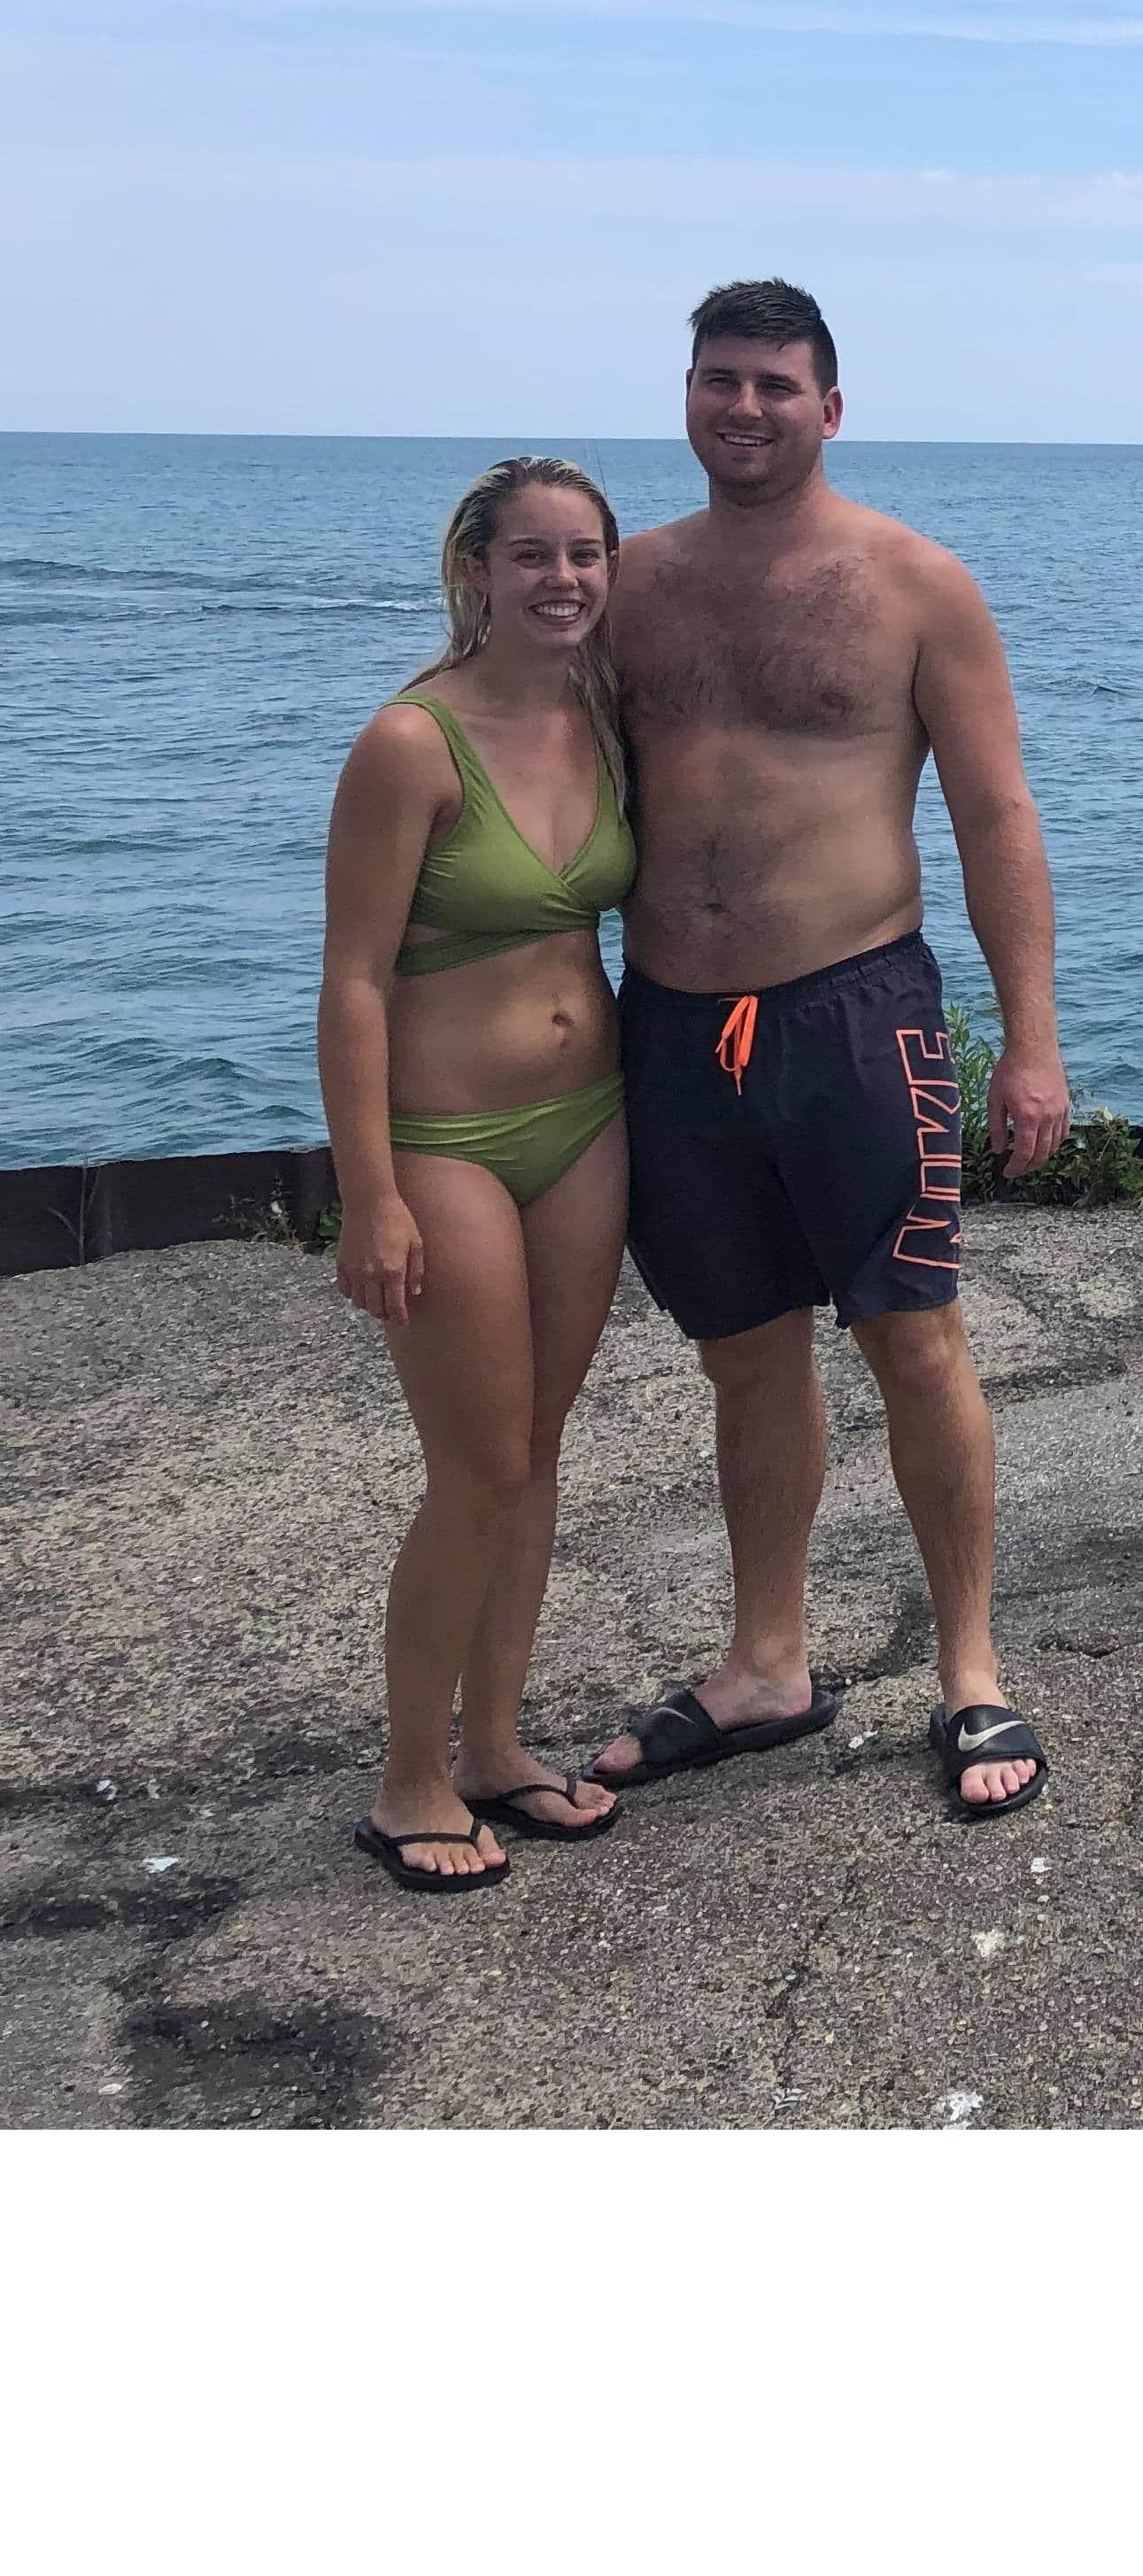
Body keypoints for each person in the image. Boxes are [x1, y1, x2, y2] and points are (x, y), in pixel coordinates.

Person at [587, 279, 1070, 1820]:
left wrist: (1033, 1044)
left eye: (774, 385)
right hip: (670, 1025)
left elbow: (995, 814)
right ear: (686, 393)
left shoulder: (915, 584)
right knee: (744, 1352)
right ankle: (767, 1662)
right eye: (718, 379)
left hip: (854, 1014)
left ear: (830, 407)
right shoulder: (628, 586)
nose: (743, 407)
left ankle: (973, 1672)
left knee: (913, 1335)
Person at [318, 458, 637, 1891]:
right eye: (532, 556)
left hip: (589, 1122)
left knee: (542, 1443)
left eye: (585, 555)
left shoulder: (605, 716)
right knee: (477, 1465)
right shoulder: (411, 741)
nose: (561, 579)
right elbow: (354, 981)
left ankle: (498, 1747)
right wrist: (369, 1189)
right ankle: (406, 1782)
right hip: (448, 1143)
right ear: (476, 571)